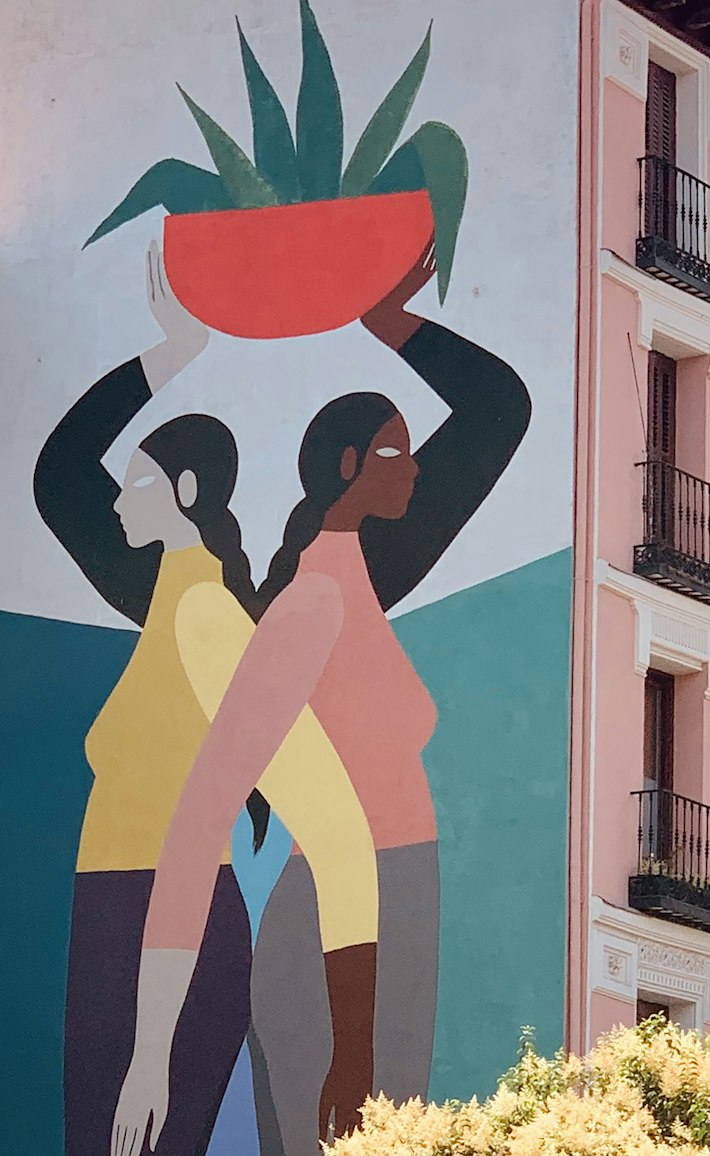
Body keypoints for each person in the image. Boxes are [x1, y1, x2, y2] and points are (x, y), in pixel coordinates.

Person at [122, 240, 532, 1140]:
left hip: (399, 910)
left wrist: (392, 327)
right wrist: (151, 1051)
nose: (416, 466)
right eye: (395, 451)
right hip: (343, 937)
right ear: (349, 468)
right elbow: (201, 815)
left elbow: (501, 410)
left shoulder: (365, 576)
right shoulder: (308, 603)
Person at [34, 245, 377, 1156]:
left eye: (138, 482)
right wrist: (170, 353)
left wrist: (156, 1051)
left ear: (184, 493)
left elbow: (322, 814)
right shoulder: (160, 602)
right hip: (109, 915)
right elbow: (60, 475)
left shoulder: (207, 618)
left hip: (158, 932)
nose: (117, 502)